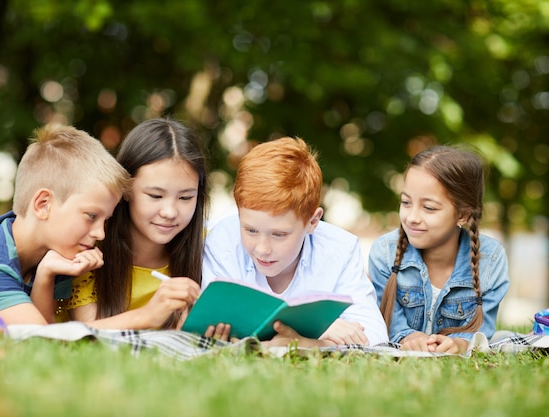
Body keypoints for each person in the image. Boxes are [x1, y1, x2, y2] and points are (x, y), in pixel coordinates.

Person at [0, 123, 130, 325]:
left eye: (106, 220)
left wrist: (45, 275)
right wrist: (149, 315)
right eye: (91, 215)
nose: (101, 234)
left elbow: (44, 339)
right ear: (43, 204)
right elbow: (39, 340)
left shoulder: (56, 252)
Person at [202, 137, 388, 347]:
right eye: (251, 230)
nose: (262, 249)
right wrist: (320, 330)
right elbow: (206, 322)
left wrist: (308, 343)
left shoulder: (340, 250)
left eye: (279, 235)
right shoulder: (220, 240)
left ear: (313, 221)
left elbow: (374, 336)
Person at [62, 118, 206, 330]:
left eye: (185, 198)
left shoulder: (210, 246)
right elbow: (86, 332)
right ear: (126, 190)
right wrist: (148, 315)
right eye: (155, 196)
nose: (170, 212)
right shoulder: (90, 245)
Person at [368, 145, 510, 354]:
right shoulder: (384, 253)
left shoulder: (490, 260)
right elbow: (387, 321)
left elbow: (481, 329)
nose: (412, 217)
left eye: (429, 208)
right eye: (406, 202)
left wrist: (460, 343)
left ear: (462, 215)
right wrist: (409, 336)